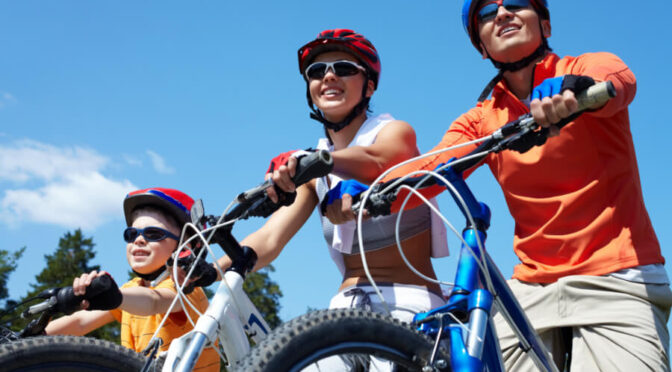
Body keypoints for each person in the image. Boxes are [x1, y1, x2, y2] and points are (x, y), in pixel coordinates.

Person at [324, 1, 671, 371]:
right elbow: (429, 170)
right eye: (488, 13)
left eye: (517, 3)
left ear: (546, 26)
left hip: (616, 276)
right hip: (531, 286)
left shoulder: (583, 68)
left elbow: (619, 80)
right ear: (482, 46)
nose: (503, 13)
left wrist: (575, 90)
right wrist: (371, 192)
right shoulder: (481, 119)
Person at [212, 29, 449, 323]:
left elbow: (380, 161)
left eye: (344, 68)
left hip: (413, 304)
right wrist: (211, 269)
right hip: (344, 306)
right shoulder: (315, 171)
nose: (328, 77)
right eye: (317, 71)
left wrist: (317, 162)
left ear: (370, 87)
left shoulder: (394, 131)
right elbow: (270, 239)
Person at [45, 187, 220, 372]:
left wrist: (117, 296)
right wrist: (32, 336)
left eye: (153, 234)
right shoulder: (131, 288)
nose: (139, 240)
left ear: (187, 245)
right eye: (132, 234)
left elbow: (155, 301)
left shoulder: (186, 287)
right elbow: (79, 322)